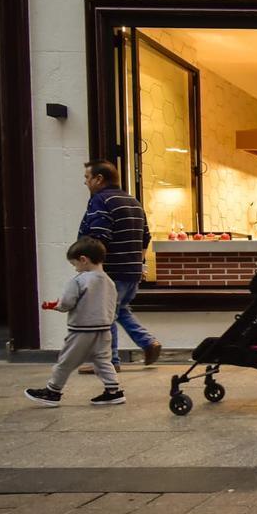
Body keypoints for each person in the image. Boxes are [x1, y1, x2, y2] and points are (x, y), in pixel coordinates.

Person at [78, 160, 161, 373]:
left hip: (111, 270)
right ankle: (148, 343)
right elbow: (146, 237)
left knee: (105, 316)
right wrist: (138, 264)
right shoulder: (132, 200)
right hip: (131, 271)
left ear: (99, 179)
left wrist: (94, 269)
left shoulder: (100, 200)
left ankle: (109, 361)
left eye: (87, 177)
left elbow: (99, 236)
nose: (85, 182)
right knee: (120, 310)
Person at [24, 238, 124, 407]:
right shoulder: (109, 282)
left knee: (66, 360)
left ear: (84, 259)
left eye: (75, 264)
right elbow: (113, 305)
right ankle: (113, 391)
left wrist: (57, 306)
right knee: (103, 361)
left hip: (81, 331)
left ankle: (53, 391)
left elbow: (67, 303)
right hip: (104, 329)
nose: (75, 268)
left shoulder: (79, 280)